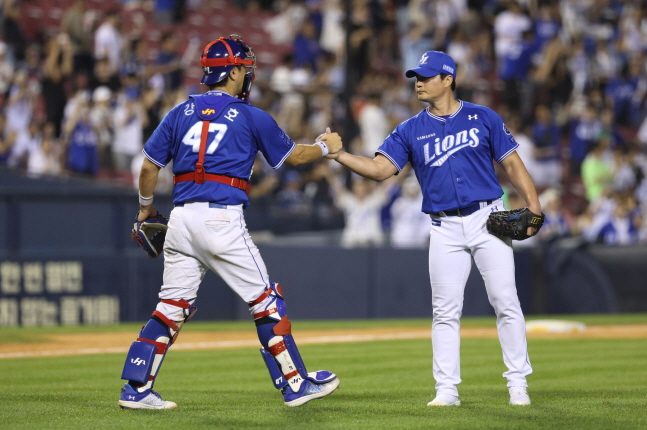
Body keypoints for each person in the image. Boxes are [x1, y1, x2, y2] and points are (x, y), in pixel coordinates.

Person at [118, 35, 342, 410]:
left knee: (171, 306)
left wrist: (144, 210)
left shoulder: (179, 111)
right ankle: (295, 384)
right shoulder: (251, 115)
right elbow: (295, 156)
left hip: (181, 219)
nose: (248, 75)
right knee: (267, 303)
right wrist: (326, 147)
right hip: (222, 219)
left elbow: (148, 167)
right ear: (235, 71)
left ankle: (135, 389)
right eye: (245, 68)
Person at [326, 51, 541, 407]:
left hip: (488, 218)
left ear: (448, 79)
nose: (419, 82)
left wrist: (534, 204)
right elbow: (380, 170)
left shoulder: (482, 117)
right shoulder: (409, 129)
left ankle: (518, 384)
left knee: (505, 300)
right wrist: (340, 156)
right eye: (416, 77)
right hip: (443, 227)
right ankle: (446, 390)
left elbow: (512, 163)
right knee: (444, 311)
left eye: (426, 76)